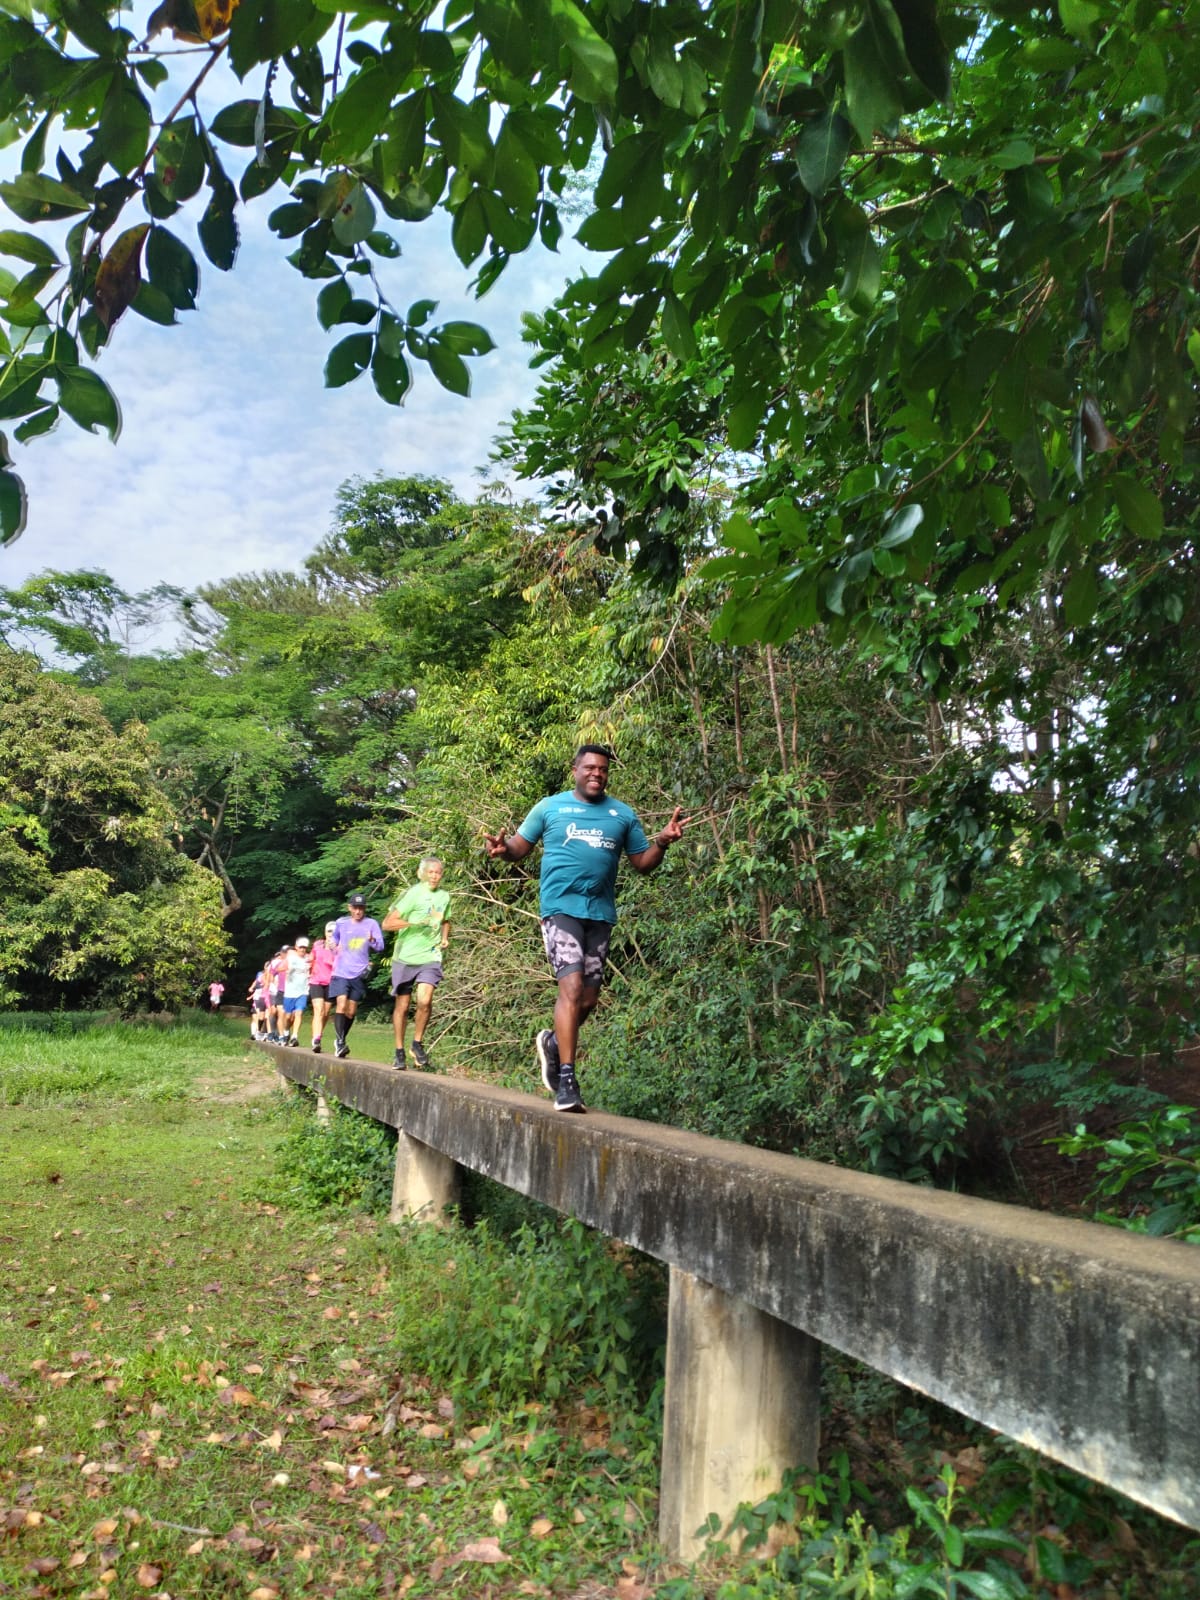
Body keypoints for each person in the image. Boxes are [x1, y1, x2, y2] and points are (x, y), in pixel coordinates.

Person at [485, 745, 690, 1112]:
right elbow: (519, 847)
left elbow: (642, 864)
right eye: (590, 767)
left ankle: (552, 1044)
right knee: (572, 987)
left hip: (600, 914)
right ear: (575, 770)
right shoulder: (550, 807)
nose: (597, 773)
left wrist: (661, 842)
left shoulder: (622, 814)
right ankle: (567, 1082)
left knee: (589, 1000)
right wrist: (504, 850)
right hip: (560, 909)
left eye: (603, 769)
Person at [382, 857, 451, 1071]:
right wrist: (412, 923)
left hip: (430, 956)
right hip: (405, 957)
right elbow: (387, 924)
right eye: (431, 872)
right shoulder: (412, 894)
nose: (434, 876)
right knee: (402, 1006)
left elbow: (445, 920)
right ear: (423, 874)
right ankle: (399, 1051)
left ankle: (417, 1043)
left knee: (425, 1000)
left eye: (438, 872)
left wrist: (444, 937)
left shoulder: (445, 896)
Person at [328, 893, 386, 1058]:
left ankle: (340, 1039)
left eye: (361, 908)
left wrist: (372, 939)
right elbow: (334, 940)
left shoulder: (371, 924)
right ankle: (340, 1042)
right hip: (341, 971)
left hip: (359, 973)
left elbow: (380, 947)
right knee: (341, 1004)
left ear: (364, 909)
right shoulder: (341, 923)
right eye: (355, 908)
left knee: (351, 1012)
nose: (358, 911)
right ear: (350, 908)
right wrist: (333, 946)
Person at [307, 922, 337, 1053]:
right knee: (318, 1010)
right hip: (316, 981)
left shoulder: (339, 948)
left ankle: (319, 1033)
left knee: (325, 1013)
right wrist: (308, 964)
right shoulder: (318, 945)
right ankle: (316, 1039)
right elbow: (311, 958)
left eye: (334, 932)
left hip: (331, 982)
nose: (331, 934)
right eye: (329, 931)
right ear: (325, 932)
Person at [282, 936, 312, 1046]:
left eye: (304, 947)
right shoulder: (291, 958)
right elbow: (280, 968)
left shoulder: (308, 959)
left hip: (303, 991)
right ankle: (286, 1032)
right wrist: (287, 970)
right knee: (288, 1017)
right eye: (300, 947)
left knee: (299, 1013)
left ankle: (294, 1037)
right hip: (290, 992)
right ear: (296, 947)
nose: (302, 949)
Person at [247, 968, 270, 1040]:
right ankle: (254, 1034)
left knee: (262, 1018)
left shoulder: (268, 982)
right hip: (256, 1001)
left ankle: (259, 1032)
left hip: (264, 1001)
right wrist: (251, 989)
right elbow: (252, 988)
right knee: (255, 1017)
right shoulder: (258, 981)